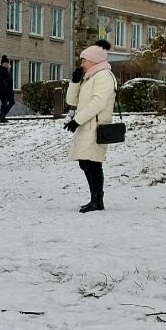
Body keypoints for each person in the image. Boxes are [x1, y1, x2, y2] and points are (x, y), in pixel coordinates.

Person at [64, 44, 118, 212]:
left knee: (93, 163)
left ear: (94, 60)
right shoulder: (90, 77)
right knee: (85, 162)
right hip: (86, 126)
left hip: (96, 126)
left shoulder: (104, 76)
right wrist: (74, 82)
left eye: (84, 60)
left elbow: (99, 102)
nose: (82, 64)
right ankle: (95, 199)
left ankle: (97, 201)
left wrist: (77, 120)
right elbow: (72, 101)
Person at [0, 55, 16, 122]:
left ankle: (2, 115)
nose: (7, 64)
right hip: (3, 91)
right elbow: (1, 80)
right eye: (6, 63)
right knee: (5, 103)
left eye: (8, 63)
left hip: (8, 90)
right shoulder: (1, 70)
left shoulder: (6, 70)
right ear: (3, 63)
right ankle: (2, 116)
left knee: (10, 102)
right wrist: (6, 85)